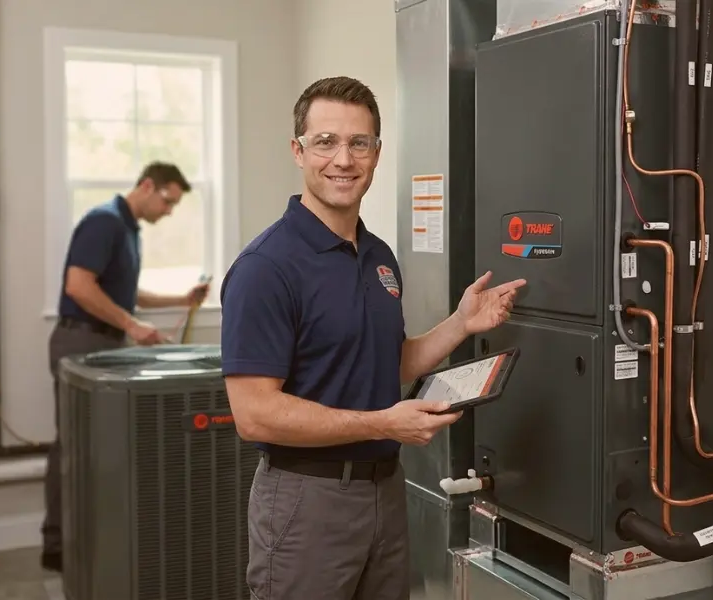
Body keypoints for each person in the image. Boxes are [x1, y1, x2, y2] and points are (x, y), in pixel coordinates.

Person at [220, 76, 527, 600]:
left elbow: (385, 363)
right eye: (326, 142)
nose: (344, 159)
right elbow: (254, 414)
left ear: (377, 153)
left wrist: (460, 324)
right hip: (306, 500)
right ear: (298, 151)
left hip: (385, 492)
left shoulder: (378, 255)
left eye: (359, 143)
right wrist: (382, 422)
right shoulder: (265, 268)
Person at [41, 161, 211, 572]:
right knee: (75, 445)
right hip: (81, 339)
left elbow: (122, 292)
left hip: (104, 340)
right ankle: (57, 546)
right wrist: (132, 326)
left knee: (101, 446)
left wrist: (180, 298)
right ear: (147, 186)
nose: (169, 212)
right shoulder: (104, 222)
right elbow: (79, 286)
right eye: (168, 201)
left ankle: (95, 540)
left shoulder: (128, 229)